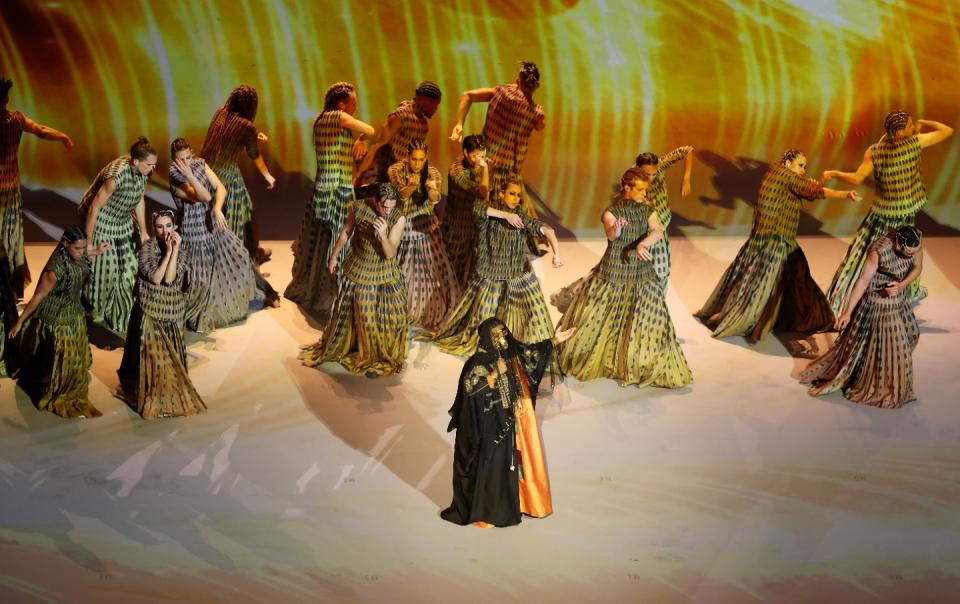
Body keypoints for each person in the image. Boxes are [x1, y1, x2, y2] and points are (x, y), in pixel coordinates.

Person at [695, 150, 862, 341]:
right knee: (773, 282)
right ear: (788, 163)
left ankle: (744, 315)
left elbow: (804, 191)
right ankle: (743, 318)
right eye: (800, 165)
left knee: (782, 278)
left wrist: (810, 186)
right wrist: (846, 194)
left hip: (765, 239)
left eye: (805, 166)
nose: (803, 169)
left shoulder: (775, 171)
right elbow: (815, 191)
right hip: (777, 241)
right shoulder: (787, 176)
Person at [556, 167, 692, 388]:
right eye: (639, 190)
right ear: (626, 188)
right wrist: (617, 231)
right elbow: (611, 234)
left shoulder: (648, 209)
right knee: (600, 313)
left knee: (641, 315)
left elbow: (657, 230)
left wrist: (643, 243)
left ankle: (631, 359)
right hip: (615, 269)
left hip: (640, 270)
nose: (643, 194)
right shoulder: (611, 212)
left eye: (645, 190)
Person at [441, 317, 574, 527]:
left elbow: (530, 354)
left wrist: (554, 341)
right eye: (496, 335)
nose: (502, 338)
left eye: (503, 332)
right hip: (488, 429)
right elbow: (472, 390)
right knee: (491, 467)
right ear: (487, 338)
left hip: (507, 425)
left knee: (508, 466)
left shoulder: (509, 356)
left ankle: (512, 503)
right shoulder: (478, 362)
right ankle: (487, 510)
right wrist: (494, 374)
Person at [823, 110, 952, 314]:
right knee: (903, 255)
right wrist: (924, 121)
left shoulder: (874, 150)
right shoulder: (915, 143)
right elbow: (947, 130)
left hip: (881, 213)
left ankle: (852, 298)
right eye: (910, 125)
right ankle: (894, 295)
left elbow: (857, 178)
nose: (913, 127)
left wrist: (833, 173)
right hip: (903, 212)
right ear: (900, 133)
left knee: (865, 255)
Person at [426, 173, 562, 356]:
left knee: (524, 318)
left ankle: (514, 348)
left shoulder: (521, 216)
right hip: (490, 276)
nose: (515, 199)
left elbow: (547, 229)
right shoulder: (488, 213)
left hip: (514, 276)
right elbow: (478, 209)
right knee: (483, 321)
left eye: (518, 195)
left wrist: (557, 255)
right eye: (511, 194)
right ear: (501, 194)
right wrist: (506, 216)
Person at [801, 226, 923, 408]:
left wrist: (902, 285)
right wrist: (847, 312)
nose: (909, 255)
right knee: (895, 348)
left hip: (898, 297)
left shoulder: (916, 241)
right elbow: (863, 281)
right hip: (878, 300)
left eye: (912, 252)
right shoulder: (878, 251)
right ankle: (884, 388)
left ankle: (877, 376)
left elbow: (918, 267)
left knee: (912, 335)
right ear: (898, 243)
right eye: (906, 252)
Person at [168, 137, 277, 333]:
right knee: (201, 279)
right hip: (194, 234)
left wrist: (218, 209)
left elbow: (220, 189)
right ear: (174, 160)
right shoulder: (175, 175)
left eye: (187, 157)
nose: (185, 163)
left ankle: (266, 293)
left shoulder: (200, 163)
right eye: (180, 160)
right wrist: (190, 175)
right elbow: (203, 196)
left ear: (191, 153)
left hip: (212, 225)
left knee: (240, 257)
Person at [298, 184, 408, 377]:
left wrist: (382, 235)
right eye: (384, 207)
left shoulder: (398, 218)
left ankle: (375, 357)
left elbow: (391, 253)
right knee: (355, 314)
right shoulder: (358, 207)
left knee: (379, 318)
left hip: (383, 272)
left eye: (391, 207)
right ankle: (355, 346)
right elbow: (346, 232)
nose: (388, 211)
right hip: (358, 267)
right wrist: (333, 256)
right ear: (375, 201)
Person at [285, 82, 375, 315]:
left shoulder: (320, 118)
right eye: (353, 103)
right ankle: (334, 293)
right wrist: (363, 138)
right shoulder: (340, 117)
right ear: (341, 103)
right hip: (339, 186)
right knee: (339, 236)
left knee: (321, 239)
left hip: (323, 185)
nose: (355, 107)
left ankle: (315, 288)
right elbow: (372, 129)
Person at [8, 226, 108, 418]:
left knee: (75, 355)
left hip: (73, 310)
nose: (81, 252)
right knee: (67, 357)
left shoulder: (78, 254)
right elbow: (37, 297)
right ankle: (65, 391)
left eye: (83, 247)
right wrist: (19, 322)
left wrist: (97, 250)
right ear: (64, 244)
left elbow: (85, 253)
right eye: (77, 248)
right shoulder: (55, 271)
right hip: (56, 314)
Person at [118, 211, 206, 419]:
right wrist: (166, 253)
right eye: (159, 226)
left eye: (168, 226)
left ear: (174, 227)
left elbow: (170, 278)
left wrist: (174, 251)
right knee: (152, 358)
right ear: (154, 228)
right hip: (150, 307)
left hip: (171, 309)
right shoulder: (146, 249)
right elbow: (157, 279)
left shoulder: (183, 250)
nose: (164, 230)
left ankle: (166, 394)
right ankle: (151, 395)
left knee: (169, 361)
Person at [0, 76, 74, 299]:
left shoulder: (16, 119)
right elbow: (41, 130)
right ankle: (11, 286)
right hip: (9, 189)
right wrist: (63, 137)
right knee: (10, 235)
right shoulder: (16, 119)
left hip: (8, 189)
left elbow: (41, 129)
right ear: (6, 98)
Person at [78, 136, 155, 334]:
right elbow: (94, 207)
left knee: (130, 266)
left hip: (122, 220)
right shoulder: (116, 175)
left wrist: (144, 231)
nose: (152, 169)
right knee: (106, 270)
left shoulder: (142, 171)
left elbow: (139, 199)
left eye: (154, 164)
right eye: (149, 164)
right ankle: (95, 309)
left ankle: (120, 312)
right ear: (136, 161)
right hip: (101, 220)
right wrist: (88, 241)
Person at [449, 62, 545, 216]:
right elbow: (540, 126)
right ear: (536, 85)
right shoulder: (536, 112)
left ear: (517, 80)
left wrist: (460, 123)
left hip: (489, 164)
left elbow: (468, 95)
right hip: (502, 169)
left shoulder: (501, 92)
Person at [388, 139, 461, 329]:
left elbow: (435, 201)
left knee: (430, 272)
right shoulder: (396, 170)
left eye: (421, 160)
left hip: (425, 226)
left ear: (426, 158)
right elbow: (402, 196)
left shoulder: (433, 172)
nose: (417, 164)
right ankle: (401, 308)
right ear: (407, 156)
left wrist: (432, 191)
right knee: (402, 271)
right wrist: (412, 185)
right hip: (403, 226)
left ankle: (424, 309)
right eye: (414, 159)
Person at [200, 84, 276, 264]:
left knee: (211, 215)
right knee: (243, 214)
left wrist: (254, 134)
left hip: (205, 172)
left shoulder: (220, 114)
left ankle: (248, 252)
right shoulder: (246, 126)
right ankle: (245, 255)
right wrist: (267, 176)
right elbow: (255, 156)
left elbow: (231, 132)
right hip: (227, 177)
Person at [354, 81, 441, 184]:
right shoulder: (400, 116)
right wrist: (359, 176)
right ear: (425, 101)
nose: (436, 109)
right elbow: (377, 145)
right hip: (378, 174)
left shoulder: (424, 126)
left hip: (397, 179)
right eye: (435, 105)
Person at [634, 146, 694, 289]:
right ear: (638, 168)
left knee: (661, 269)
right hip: (644, 227)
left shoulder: (661, 165)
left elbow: (687, 150)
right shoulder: (631, 177)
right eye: (647, 174)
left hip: (661, 221)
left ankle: (657, 300)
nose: (651, 177)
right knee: (644, 268)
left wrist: (686, 178)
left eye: (654, 173)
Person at [443, 134, 489, 289]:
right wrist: (486, 169)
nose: (479, 158)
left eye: (482, 155)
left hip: (475, 223)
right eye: (475, 155)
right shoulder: (457, 172)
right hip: (459, 226)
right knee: (456, 267)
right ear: (465, 152)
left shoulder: (478, 163)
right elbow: (483, 192)